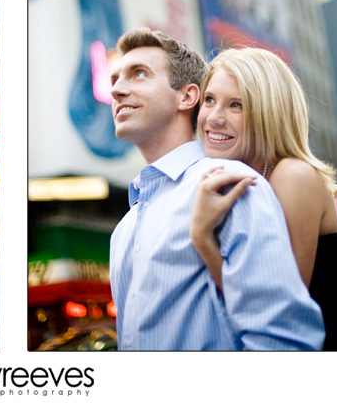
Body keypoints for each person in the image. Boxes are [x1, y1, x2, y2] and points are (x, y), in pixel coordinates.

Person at [108, 28, 324, 350]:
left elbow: (283, 336)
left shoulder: (233, 182)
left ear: (186, 96)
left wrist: (203, 240)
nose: (117, 90)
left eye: (139, 74)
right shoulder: (125, 228)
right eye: (212, 101)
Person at [189, 47, 337, 350]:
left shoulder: (293, 175)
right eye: (209, 99)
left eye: (235, 105)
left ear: (269, 111)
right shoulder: (229, 176)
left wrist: (202, 237)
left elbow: (276, 314)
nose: (213, 117)